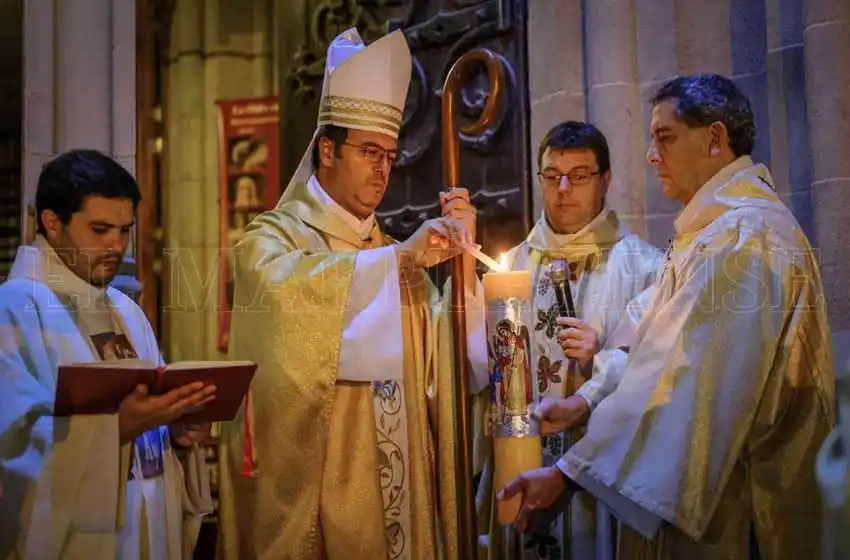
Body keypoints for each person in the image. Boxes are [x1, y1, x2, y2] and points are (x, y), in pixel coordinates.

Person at [498, 73, 835, 559]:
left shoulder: (746, 237)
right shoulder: (713, 233)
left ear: (715, 138)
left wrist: (567, 476)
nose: (652, 156)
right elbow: (641, 333)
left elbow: (688, 386)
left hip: (738, 508)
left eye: (665, 138)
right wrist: (585, 402)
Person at [216, 28, 488, 559]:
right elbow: (282, 310)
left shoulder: (390, 252)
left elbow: (455, 362)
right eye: (369, 152)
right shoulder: (271, 239)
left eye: (390, 154)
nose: (384, 169)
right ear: (327, 150)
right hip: (317, 497)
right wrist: (400, 261)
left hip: (400, 494)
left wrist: (466, 267)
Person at [0, 149, 215, 559]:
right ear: (52, 222)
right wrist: (114, 429)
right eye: (100, 229)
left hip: (150, 531)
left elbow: (149, 438)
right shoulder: (13, 310)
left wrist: (176, 436)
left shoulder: (125, 309)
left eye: (125, 230)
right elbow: (14, 450)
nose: (117, 245)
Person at [478, 122, 662, 560]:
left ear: (605, 180)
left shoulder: (646, 266)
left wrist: (600, 352)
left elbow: (658, 369)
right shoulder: (511, 265)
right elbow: (478, 362)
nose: (563, 188)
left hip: (596, 472)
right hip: (521, 457)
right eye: (551, 175)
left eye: (579, 175)